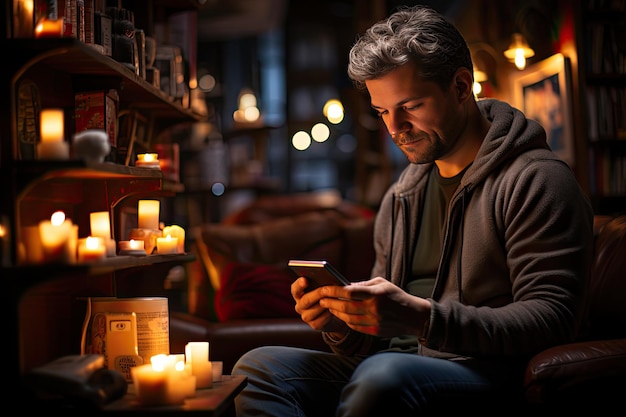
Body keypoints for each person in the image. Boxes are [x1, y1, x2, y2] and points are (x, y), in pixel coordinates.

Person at [232, 5, 594, 416]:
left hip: (484, 372)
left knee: (383, 375)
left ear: (461, 87)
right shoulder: (402, 195)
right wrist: (338, 324)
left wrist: (422, 319)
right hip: (392, 366)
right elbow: (377, 340)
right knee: (259, 367)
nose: (394, 127)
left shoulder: (537, 180)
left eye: (411, 106)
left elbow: (553, 318)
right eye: (383, 111)